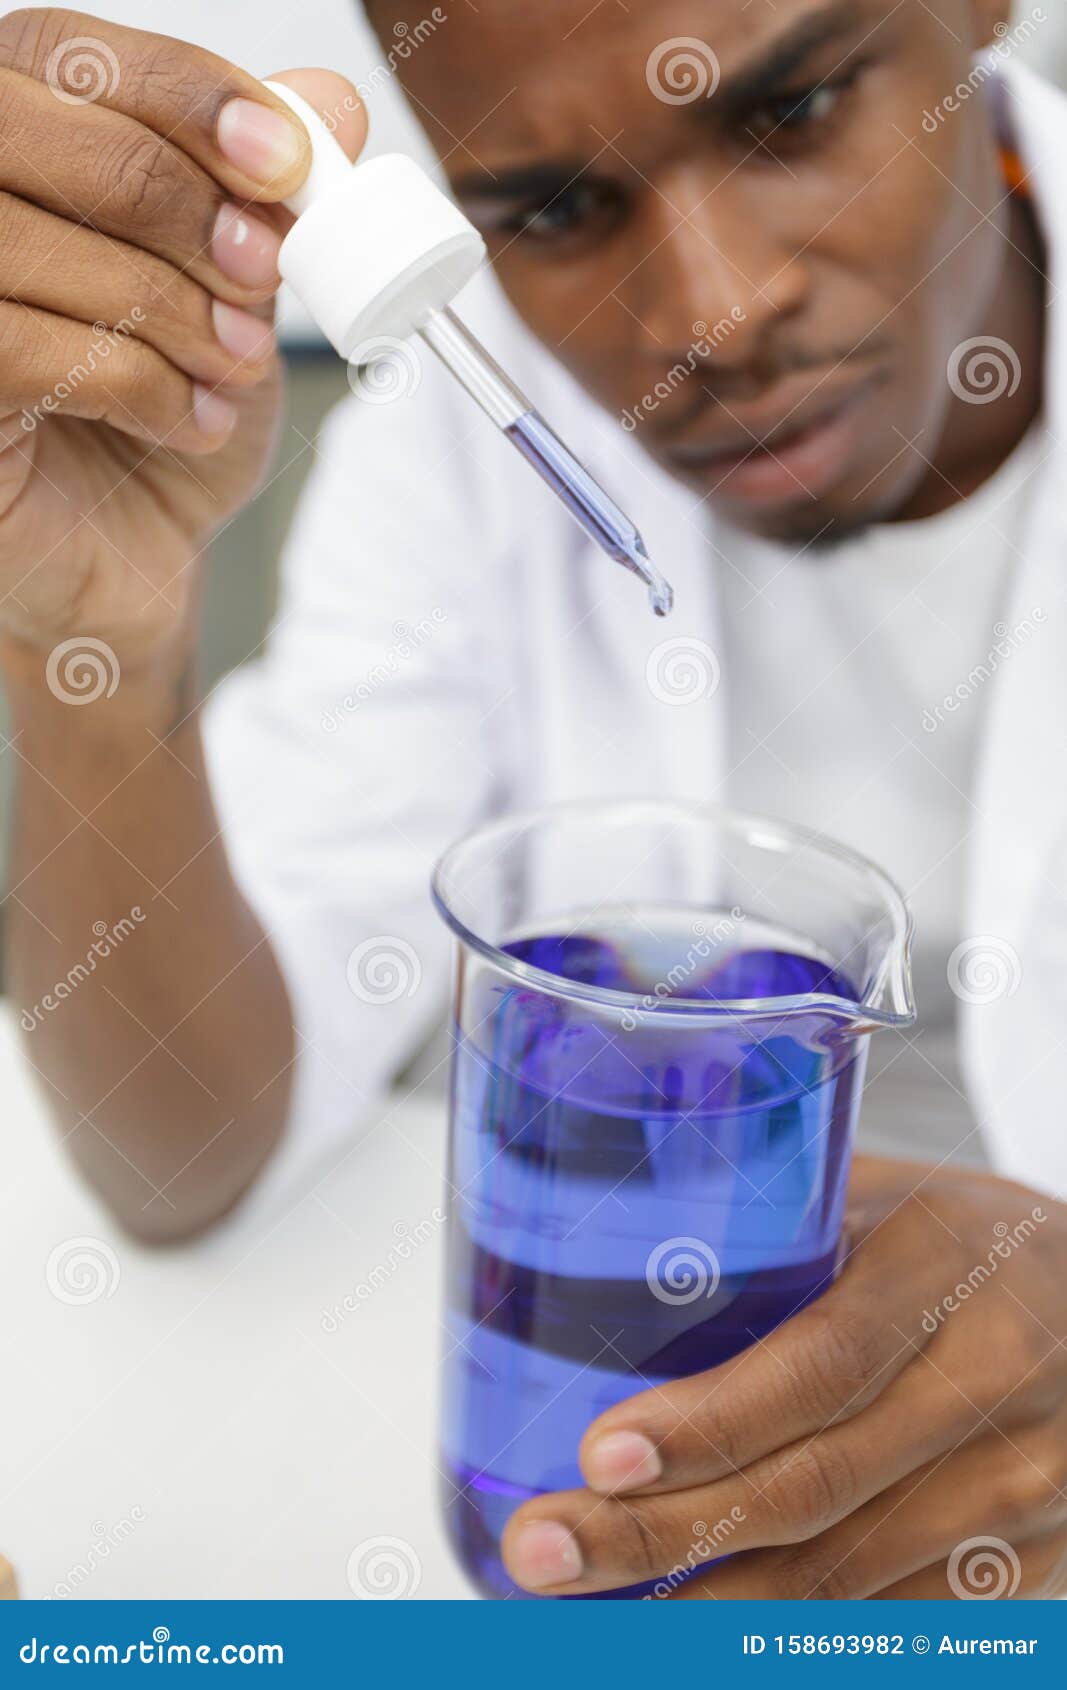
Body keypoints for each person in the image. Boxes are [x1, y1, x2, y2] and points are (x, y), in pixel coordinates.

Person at [0, 0, 1064, 1600]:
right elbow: (186, 1156)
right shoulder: (457, 428)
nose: (717, 313)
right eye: (555, 210)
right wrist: (94, 649)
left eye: (792, 114)